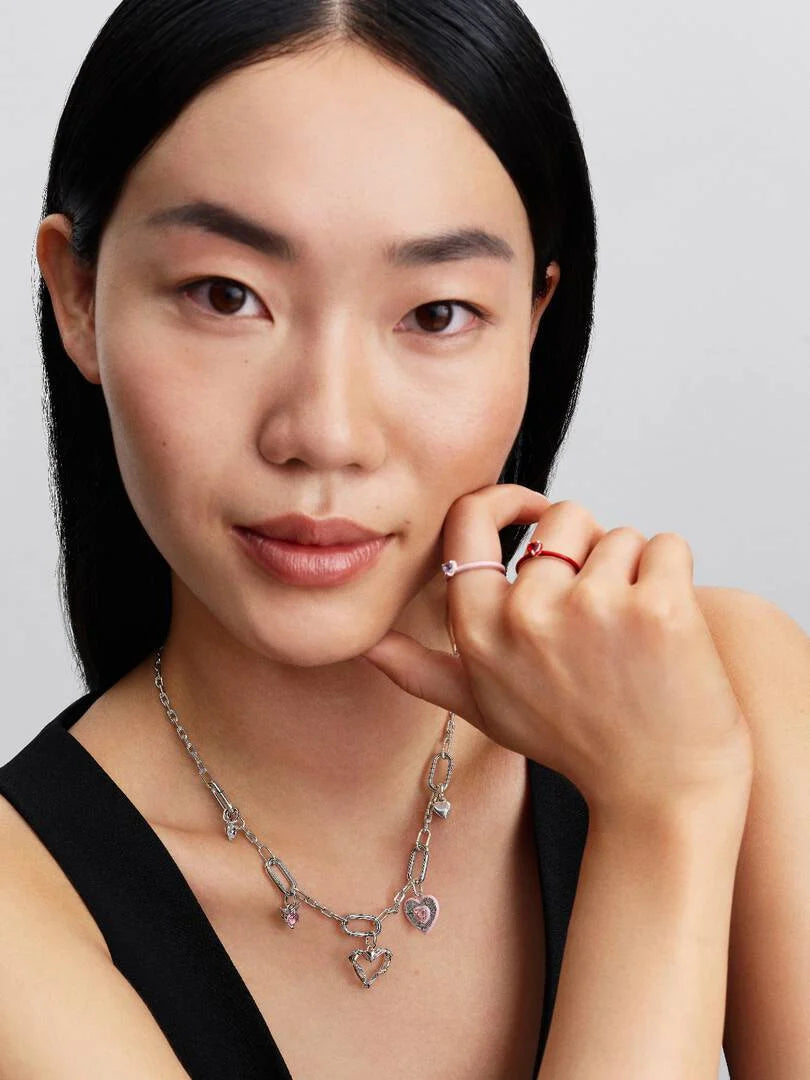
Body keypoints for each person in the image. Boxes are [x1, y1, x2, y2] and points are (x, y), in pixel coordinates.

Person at [0, 1, 807, 1077]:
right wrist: (667, 815)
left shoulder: (732, 695)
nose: (327, 432)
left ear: (535, 319)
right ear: (78, 296)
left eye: (435, 314)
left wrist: (677, 783)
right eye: (226, 296)